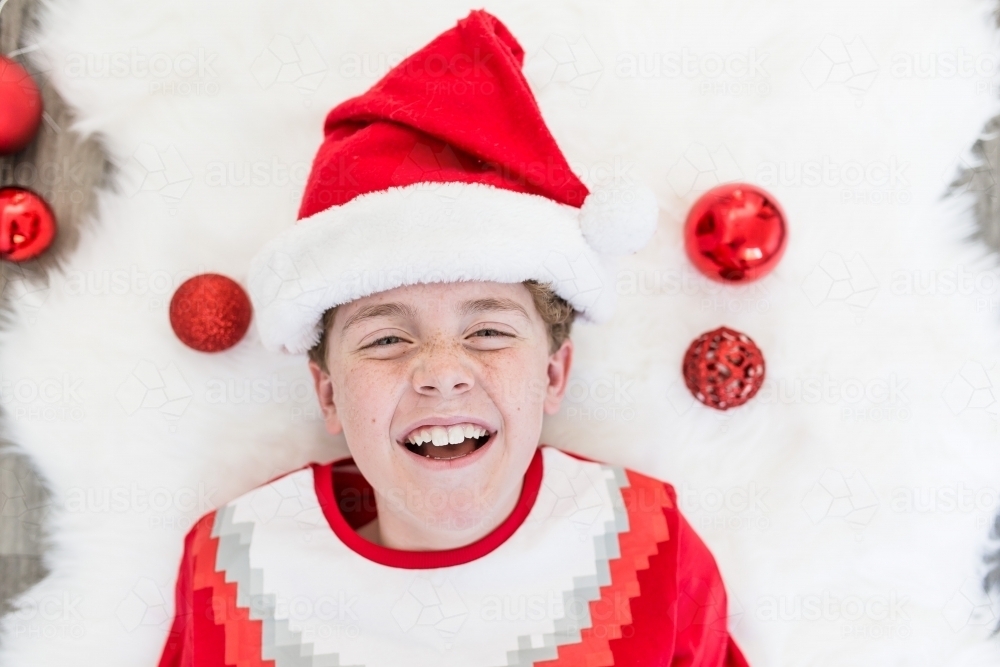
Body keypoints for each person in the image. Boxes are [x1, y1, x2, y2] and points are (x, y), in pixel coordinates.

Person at [157, 9, 749, 666]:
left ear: (553, 373)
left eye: (489, 330)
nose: (441, 370)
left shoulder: (646, 544)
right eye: (385, 340)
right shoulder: (236, 566)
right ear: (327, 392)